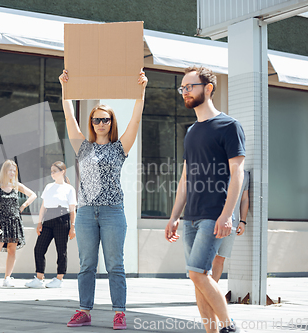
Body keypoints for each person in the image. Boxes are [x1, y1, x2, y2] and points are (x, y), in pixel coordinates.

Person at [59, 68, 148, 330]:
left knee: (115, 265)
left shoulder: (119, 147)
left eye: (105, 119)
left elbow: (135, 120)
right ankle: (84, 311)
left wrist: (141, 90)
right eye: (96, 119)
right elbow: (68, 116)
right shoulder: (82, 146)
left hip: (112, 213)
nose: (100, 123)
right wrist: (65, 89)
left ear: (111, 122)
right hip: (86, 213)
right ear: (92, 122)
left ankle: (118, 312)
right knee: (87, 264)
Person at [164, 66, 245, 333]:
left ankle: (229, 326)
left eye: (190, 87)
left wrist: (227, 215)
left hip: (215, 213)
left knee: (197, 272)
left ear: (208, 88)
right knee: (199, 279)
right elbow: (185, 178)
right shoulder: (191, 131)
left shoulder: (229, 126)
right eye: (183, 88)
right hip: (192, 217)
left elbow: (237, 173)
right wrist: (175, 215)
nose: (185, 92)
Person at [0, 160, 36, 288]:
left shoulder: (16, 185)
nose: (12, 173)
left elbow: (33, 195)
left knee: (12, 250)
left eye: (14, 171)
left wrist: (23, 206)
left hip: (14, 221)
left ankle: (8, 278)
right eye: (10, 170)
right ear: (4, 171)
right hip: (0, 221)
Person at [25, 161, 77, 289]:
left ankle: (59, 278)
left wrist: (73, 227)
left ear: (62, 171)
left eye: (55, 171)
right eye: (51, 171)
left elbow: (72, 210)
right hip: (48, 219)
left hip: (62, 218)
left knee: (61, 250)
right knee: (39, 248)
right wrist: (39, 222)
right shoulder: (48, 187)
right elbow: (43, 206)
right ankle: (39, 278)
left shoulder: (69, 189)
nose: (52, 173)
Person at [212, 170, 250, 284]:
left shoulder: (245, 175)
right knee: (208, 257)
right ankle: (204, 293)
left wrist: (242, 221)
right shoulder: (215, 169)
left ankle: (211, 292)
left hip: (231, 224)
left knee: (220, 258)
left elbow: (245, 199)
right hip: (210, 221)